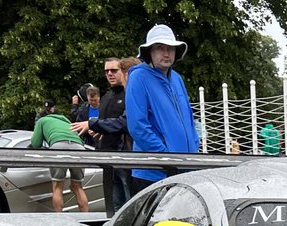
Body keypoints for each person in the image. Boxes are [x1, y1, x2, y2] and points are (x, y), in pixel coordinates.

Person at [126, 25, 199, 192]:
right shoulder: (139, 77)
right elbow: (137, 126)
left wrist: (195, 146)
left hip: (184, 169)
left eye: (170, 48)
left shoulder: (177, 78)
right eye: (160, 48)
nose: (166, 53)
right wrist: (166, 157)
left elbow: (189, 117)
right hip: (154, 174)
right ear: (149, 51)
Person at [73, 57, 130, 213]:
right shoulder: (105, 97)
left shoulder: (129, 94)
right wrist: (97, 130)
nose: (110, 74)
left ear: (123, 71)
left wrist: (93, 124)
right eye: (106, 71)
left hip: (125, 158)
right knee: (114, 206)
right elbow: (107, 123)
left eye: (114, 70)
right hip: (106, 156)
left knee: (129, 205)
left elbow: (124, 124)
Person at [29, 103, 91, 213]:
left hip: (58, 147)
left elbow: (36, 143)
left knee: (58, 187)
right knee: (78, 186)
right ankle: (85, 218)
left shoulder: (42, 121)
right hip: (79, 148)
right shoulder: (67, 122)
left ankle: (60, 218)